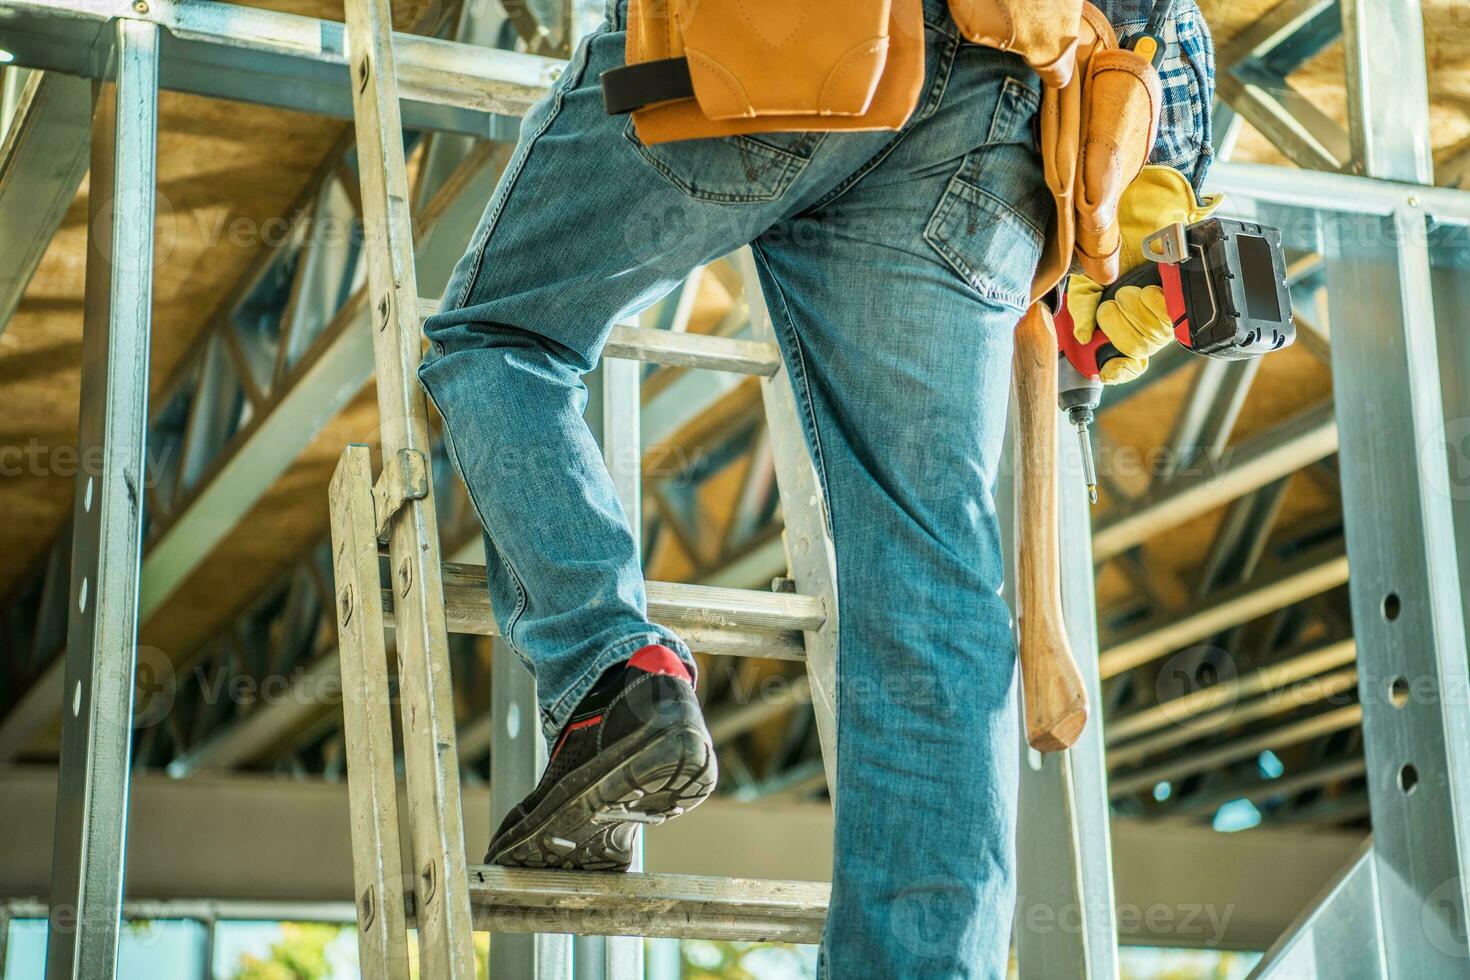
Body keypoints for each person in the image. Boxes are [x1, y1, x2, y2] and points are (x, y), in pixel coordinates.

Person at [419, 1, 1214, 974]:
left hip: (771, 38)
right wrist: (1161, 171)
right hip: (997, 110)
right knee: (930, 578)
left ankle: (612, 677)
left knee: (505, 335)